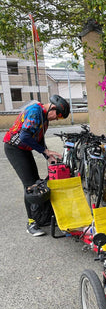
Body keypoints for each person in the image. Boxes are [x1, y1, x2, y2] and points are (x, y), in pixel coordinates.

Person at [3, 95, 70, 236]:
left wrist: (48, 156)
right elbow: (24, 136)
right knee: (30, 186)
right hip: (14, 148)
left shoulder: (44, 117)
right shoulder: (35, 111)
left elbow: (39, 140)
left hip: (24, 149)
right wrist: (45, 151)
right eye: (58, 115)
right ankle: (31, 223)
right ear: (52, 107)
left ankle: (41, 217)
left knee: (37, 183)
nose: (57, 118)